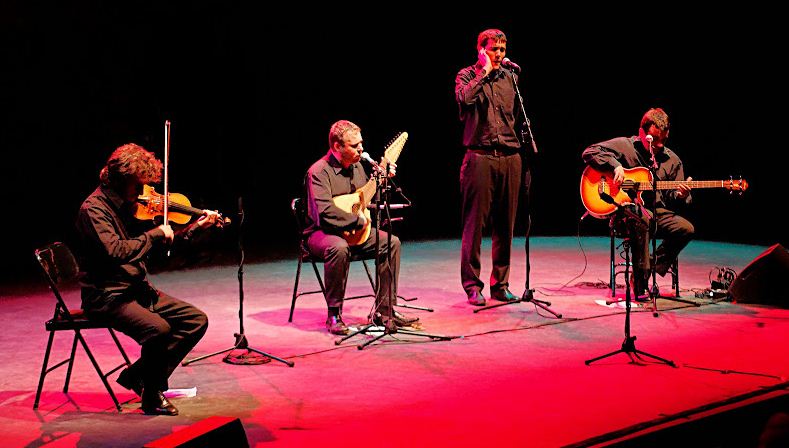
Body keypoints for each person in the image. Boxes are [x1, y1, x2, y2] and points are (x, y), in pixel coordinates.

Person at [76, 143, 220, 415]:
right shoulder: (93, 210)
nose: (142, 192)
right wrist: (154, 235)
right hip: (107, 295)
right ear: (121, 180)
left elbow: (159, 246)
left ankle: (138, 377)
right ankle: (152, 395)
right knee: (158, 330)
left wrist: (194, 228)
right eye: (137, 185)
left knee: (195, 320)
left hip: (133, 288)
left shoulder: (129, 205)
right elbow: (116, 251)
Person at [303, 120, 418, 335]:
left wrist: (382, 181)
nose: (361, 149)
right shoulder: (318, 172)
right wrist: (359, 221)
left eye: (361, 143)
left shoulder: (357, 168)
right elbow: (325, 212)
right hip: (321, 234)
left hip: (355, 233)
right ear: (337, 146)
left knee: (391, 242)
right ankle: (334, 314)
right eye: (354, 145)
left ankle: (385, 311)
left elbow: (363, 198)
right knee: (338, 248)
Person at [582, 107, 694, 299]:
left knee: (686, 229)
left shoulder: (673, 160)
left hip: (657, 212)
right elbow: (589, 152)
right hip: (625, 213)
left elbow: (673, 199)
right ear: (642, 133)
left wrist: (682, 195)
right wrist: (615, 166)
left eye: (663, 140)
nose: (658, 145)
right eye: (653, 139)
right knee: (641, 219)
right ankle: (640, 287)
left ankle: (647, 268)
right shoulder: (625, 146)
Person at [455, 28, 530, 306]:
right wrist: (483, 73)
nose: (499, 54)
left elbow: (518, 119)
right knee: (474, 226)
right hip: (480, 157)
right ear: (481, 50)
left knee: (505, 225)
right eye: (493, 49)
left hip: (510, 157)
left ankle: (501, 283)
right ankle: (472, 286)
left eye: (502, 49)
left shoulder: (511, 77)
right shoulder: (466, 75)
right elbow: (464, 99)